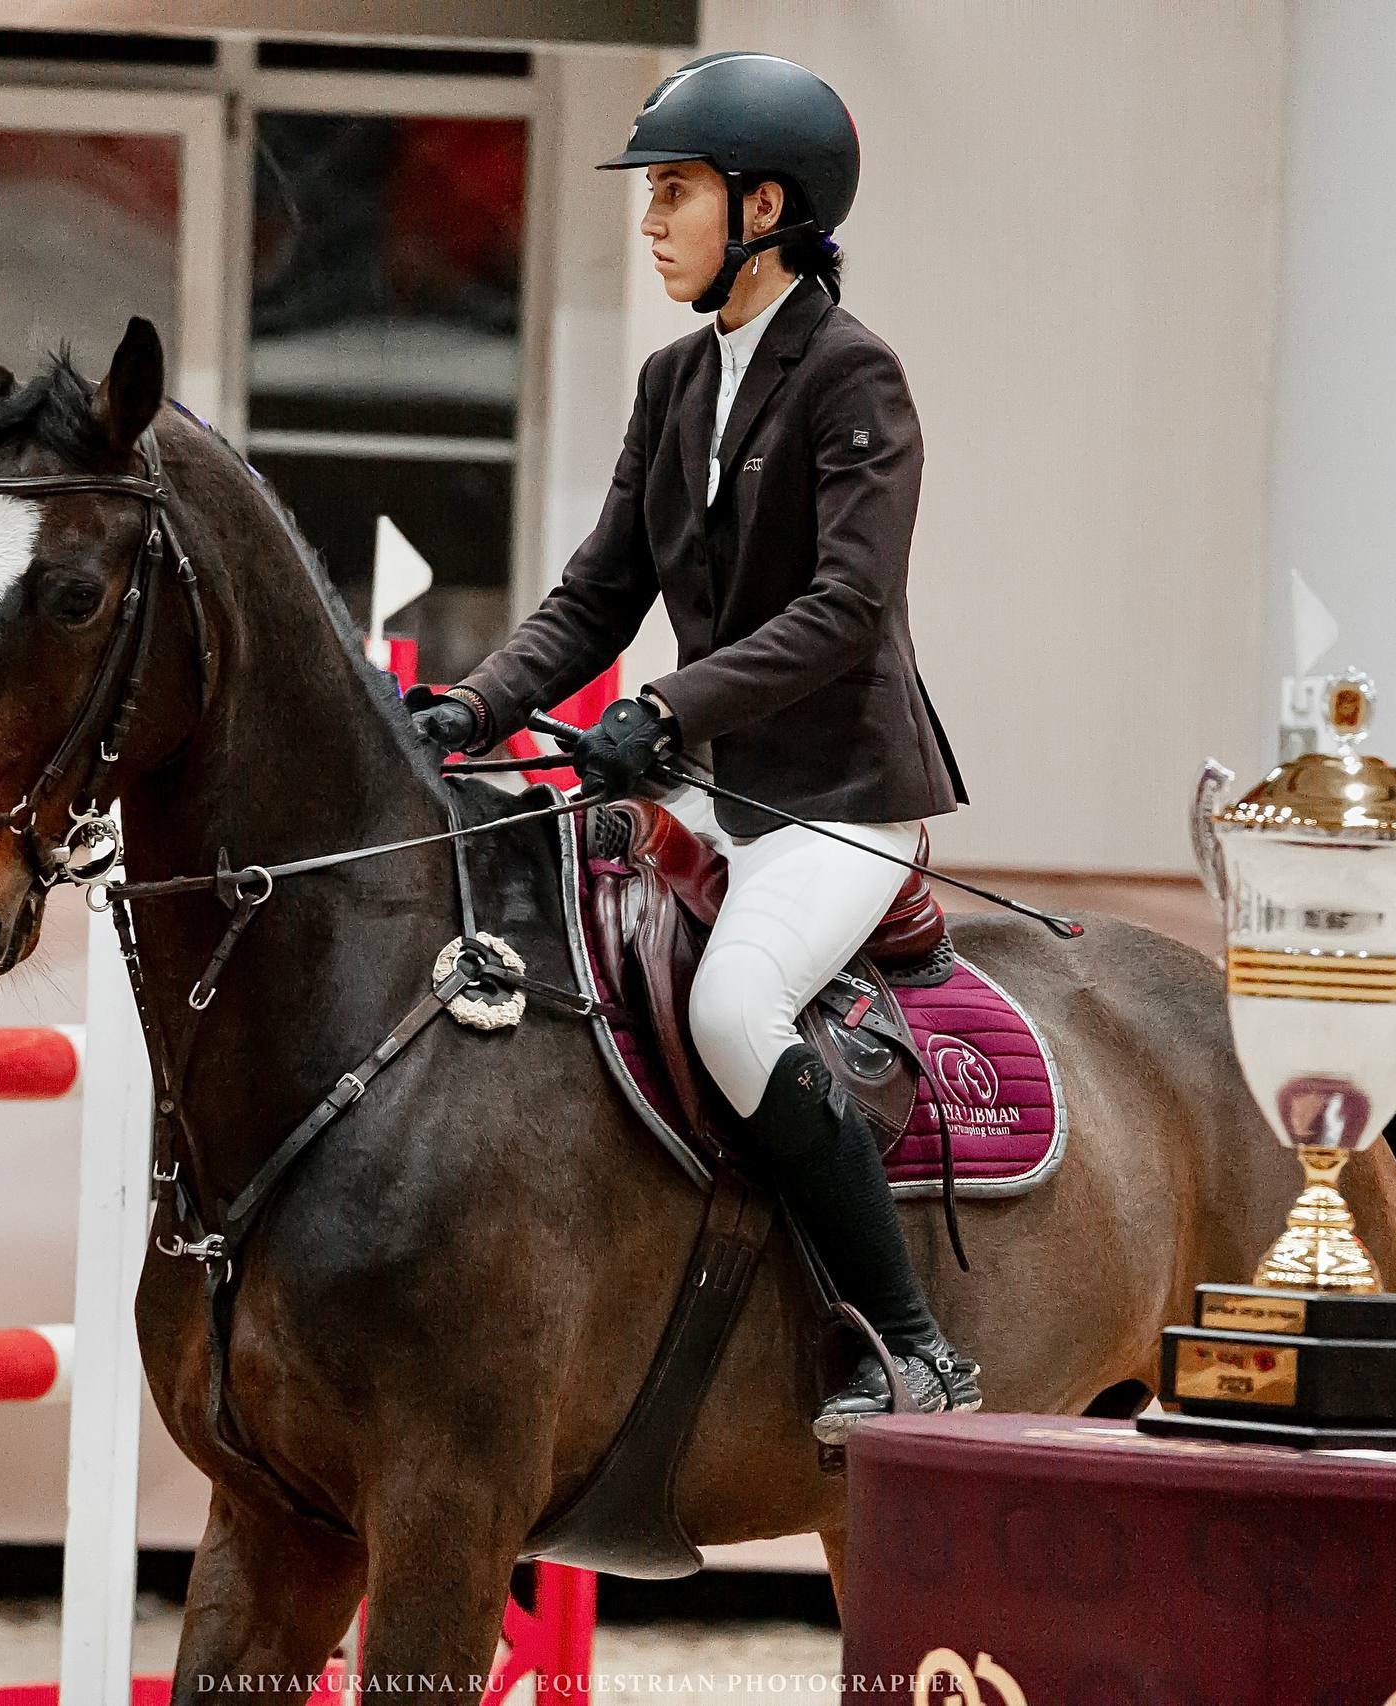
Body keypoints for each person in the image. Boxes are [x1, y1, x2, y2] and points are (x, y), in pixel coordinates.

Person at [407, 52, 978, 1441]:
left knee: (732, 1010)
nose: (651, 220)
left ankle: (912, 1347)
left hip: (835, 800)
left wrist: (667, 711)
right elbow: (600, 590)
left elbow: (847, 610)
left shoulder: (857, 379)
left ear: (766, 204)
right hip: (712, 787)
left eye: (676, 192)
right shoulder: (674, 379)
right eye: (652, 193)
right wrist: (471, 708)